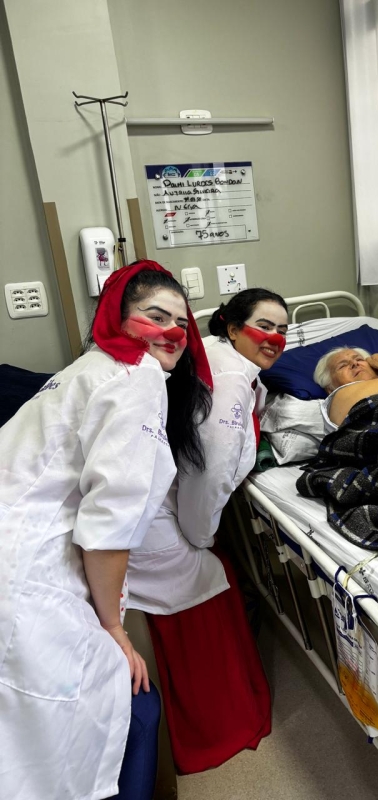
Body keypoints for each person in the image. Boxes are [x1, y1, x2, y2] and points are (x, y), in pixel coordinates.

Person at [0, 260, 212, 800]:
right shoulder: (136, 378)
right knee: (116, 707)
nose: (172, 332)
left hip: (17, 547)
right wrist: (114, 629)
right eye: (155, 316)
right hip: (24, 573)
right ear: (118, 317)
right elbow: (108, 528)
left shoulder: (86, 368)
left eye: (182, 324)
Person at [127, 287, 289, 774]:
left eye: (283, 330)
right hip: (167, 516)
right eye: (264, 326)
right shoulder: (232, 384)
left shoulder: (219, 356)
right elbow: (211, 472)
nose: (275, 338)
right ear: (232, 328)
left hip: (160, 500)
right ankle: (218, 727)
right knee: (212, 590)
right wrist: (202, 540)